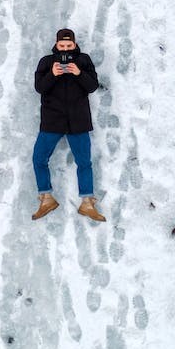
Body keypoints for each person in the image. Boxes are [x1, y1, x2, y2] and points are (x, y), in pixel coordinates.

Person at [31, 27, 105, 221]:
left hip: (77, 121)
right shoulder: (46, 62)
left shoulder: (84, 60)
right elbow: (39, 87)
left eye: (68, 45)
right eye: (62, 45)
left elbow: (92, 86)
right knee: (39, 158)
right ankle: (46, 197)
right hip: (52, 121)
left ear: (74, 44)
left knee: (84, 162)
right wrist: (52, 74)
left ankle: (87, 203)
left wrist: (78, 73)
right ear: (56, 44)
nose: (65, 49)